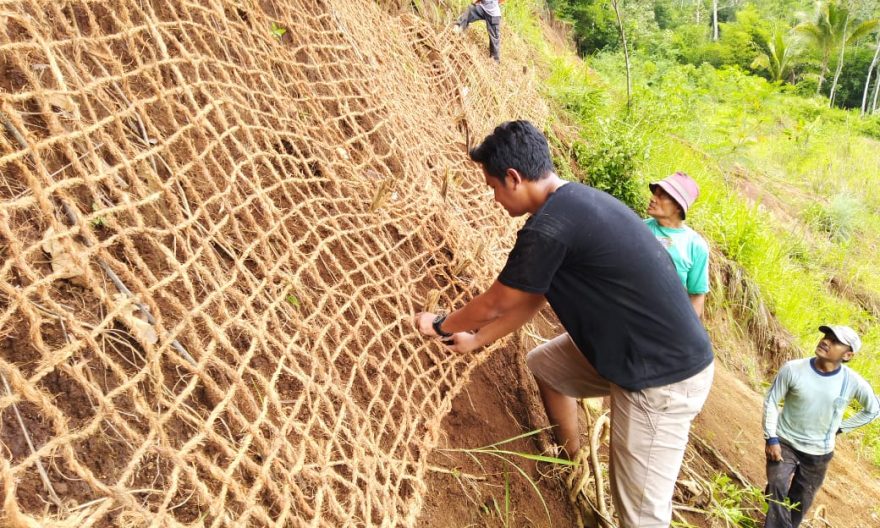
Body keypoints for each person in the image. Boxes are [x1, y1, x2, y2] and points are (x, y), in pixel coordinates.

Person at [413, 120, 714, 527]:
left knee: (641, 517)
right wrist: (475, 340)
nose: (494, 198)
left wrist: (442, 323)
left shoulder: (550, 227)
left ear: (514, 178)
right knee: (546, 367)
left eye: (493, 187)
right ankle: (574, 462)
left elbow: (497, 301)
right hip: (631, 348)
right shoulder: (574, 204)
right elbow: (530, 299)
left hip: (660, 377)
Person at [763, 325, 879, 528]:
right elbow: (772, 401)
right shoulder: (793, 369)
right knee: (777, 483)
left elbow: (873, 409)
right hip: (784, 442)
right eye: (826, 336)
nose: (826, 341)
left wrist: (842, 428)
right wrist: (771, 438)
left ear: (848, 355)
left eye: (835, 341)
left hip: (819, 453)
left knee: (800, 501)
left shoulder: (852, 382)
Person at [645, 172, 709, 318]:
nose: (653, 198)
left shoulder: (695, 246)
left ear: (678, 207)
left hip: (664, 323)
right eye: (655, 193)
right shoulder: (638, 228)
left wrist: (686, 335)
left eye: (661, 196)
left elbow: (697, 295)